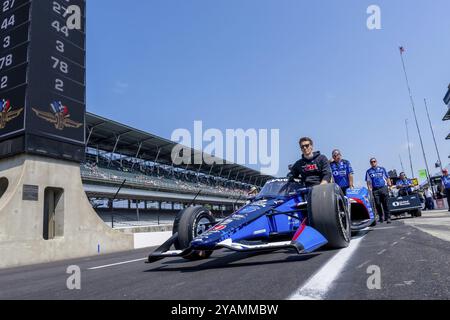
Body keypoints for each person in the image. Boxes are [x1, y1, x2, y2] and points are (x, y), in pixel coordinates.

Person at [366, 158, 392, 224]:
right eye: (371, 162)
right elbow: (368, 181)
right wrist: (369, 189)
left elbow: (387, 177)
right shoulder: (368, 171)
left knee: (385, 203)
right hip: (375, 190)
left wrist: (389, 185)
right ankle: (381, 217)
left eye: (374, 161)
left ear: (376, 162)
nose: (373, 163)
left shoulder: (382, 169)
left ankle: (388, 217)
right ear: (370, 163)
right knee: (377, 204)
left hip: (383, 187)